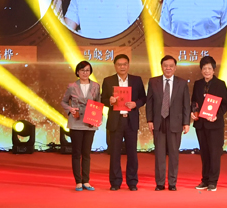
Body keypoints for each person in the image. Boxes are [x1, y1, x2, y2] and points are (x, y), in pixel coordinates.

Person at [101, 54, 146, 191]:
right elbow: (103, 99)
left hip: (131, 120)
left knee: (132, 153)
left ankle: (132, 182)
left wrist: (135, 104)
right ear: (115, 66)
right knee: (114, 153)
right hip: (116, 121)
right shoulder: (108, 81)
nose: (122, 67)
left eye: (124, 64)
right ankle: (115, 182)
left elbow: (143, 98)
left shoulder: (136, 80)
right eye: (119, 64)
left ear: (128, 65)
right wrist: (110, 101)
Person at [146, 55, 191, 191]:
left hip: (175, 123)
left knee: (174, 155)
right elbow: (149, 102)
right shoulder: (153, 82)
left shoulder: (182, 83)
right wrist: (149, 120)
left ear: (175, 67)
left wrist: (186, 122)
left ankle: (172, 183)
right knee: (159, 154)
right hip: (158, 122)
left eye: (171, 66)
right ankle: (160, 183)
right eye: (165, 66)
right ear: (161, 67)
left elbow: (186, 105)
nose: (168, 68)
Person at [191, 56, 227, 192]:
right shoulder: (198, 84)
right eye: (204, 68)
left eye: (209, 68)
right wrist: (193, 112)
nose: (206, 71)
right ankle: (205, 180)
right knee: (204, 153)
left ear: (214, 70)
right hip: (201, 124)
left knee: (214, 153)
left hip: (215, 125)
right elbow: (194, 102)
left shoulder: (220, 84)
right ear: (201, 70)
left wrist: (216, 115)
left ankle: (213, 181)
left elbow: (226, 104)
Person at [60, 61, 101, 191]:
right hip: (76, 122)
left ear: (90, 72)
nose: (85, 73)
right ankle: (78, 181)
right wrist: (70, 109)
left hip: (90, 122)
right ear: (77, 72)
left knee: (87, 153)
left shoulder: (96, 86)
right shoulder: (72, 86)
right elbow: (64, 102)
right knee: (76, 153)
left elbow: (98, 103)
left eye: (87, 70)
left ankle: (86, 181)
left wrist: (98, 118)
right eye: (82, 70)